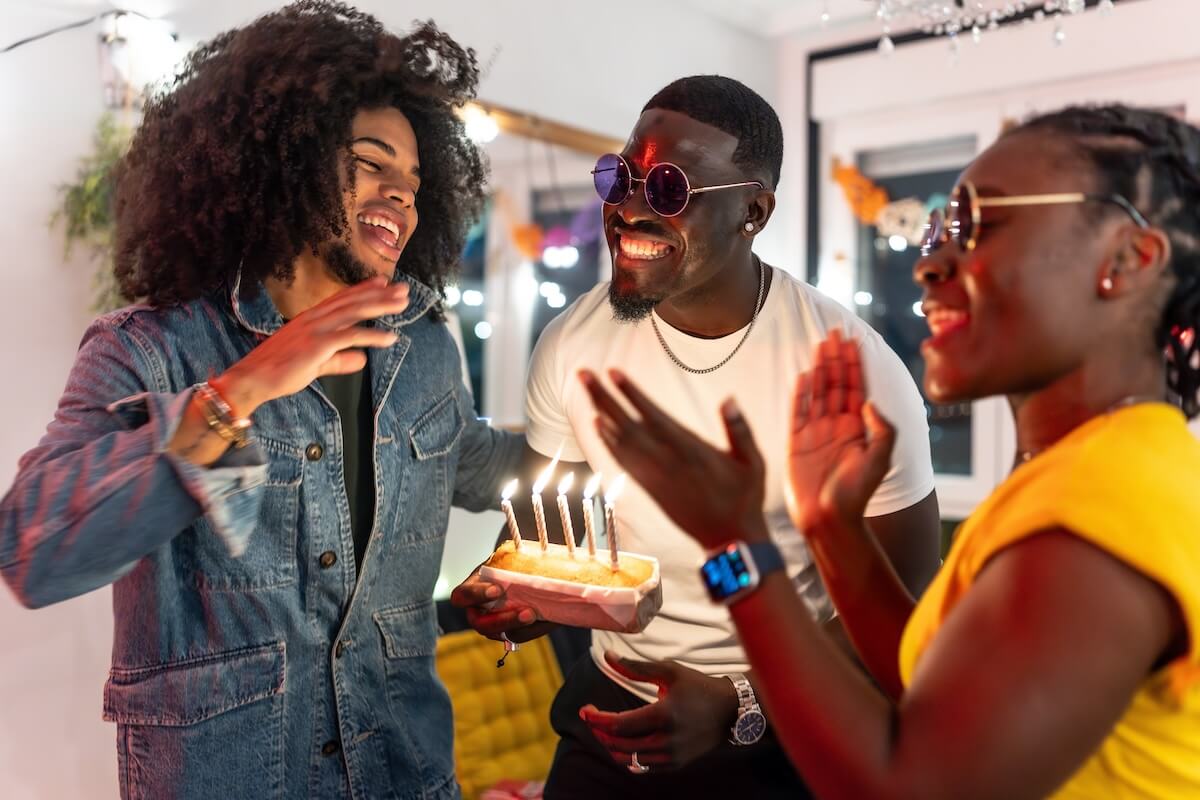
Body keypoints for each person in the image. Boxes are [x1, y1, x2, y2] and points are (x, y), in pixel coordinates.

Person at [580, 104, 1200, 799]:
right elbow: (929, 682)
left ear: (1125, 259)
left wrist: (737, 548)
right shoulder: (1093, 468)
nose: (931, 263)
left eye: (977, 226)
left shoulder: (1108, 505)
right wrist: (831, 528)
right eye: (939, 232)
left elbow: (912, 786)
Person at [0, 3, 525, 798]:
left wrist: (633, 420)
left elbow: (485, 465)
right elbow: (34, 552)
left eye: (415, 179)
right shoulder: (152, 350)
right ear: (287, 158)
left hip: (405, 779)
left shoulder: (422, 351)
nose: (401, 195)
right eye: (372, 162)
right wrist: (243, 388)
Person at [453, 75, 941, 798]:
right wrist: (527, 597)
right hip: (610, 710)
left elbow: (906, 607)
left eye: (670, 189)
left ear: (753, 211)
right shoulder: (572, 344)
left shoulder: (847, 367)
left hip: (785, 725)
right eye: (620, 176)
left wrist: (740, 702)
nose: (628, 207)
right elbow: (561, 536)